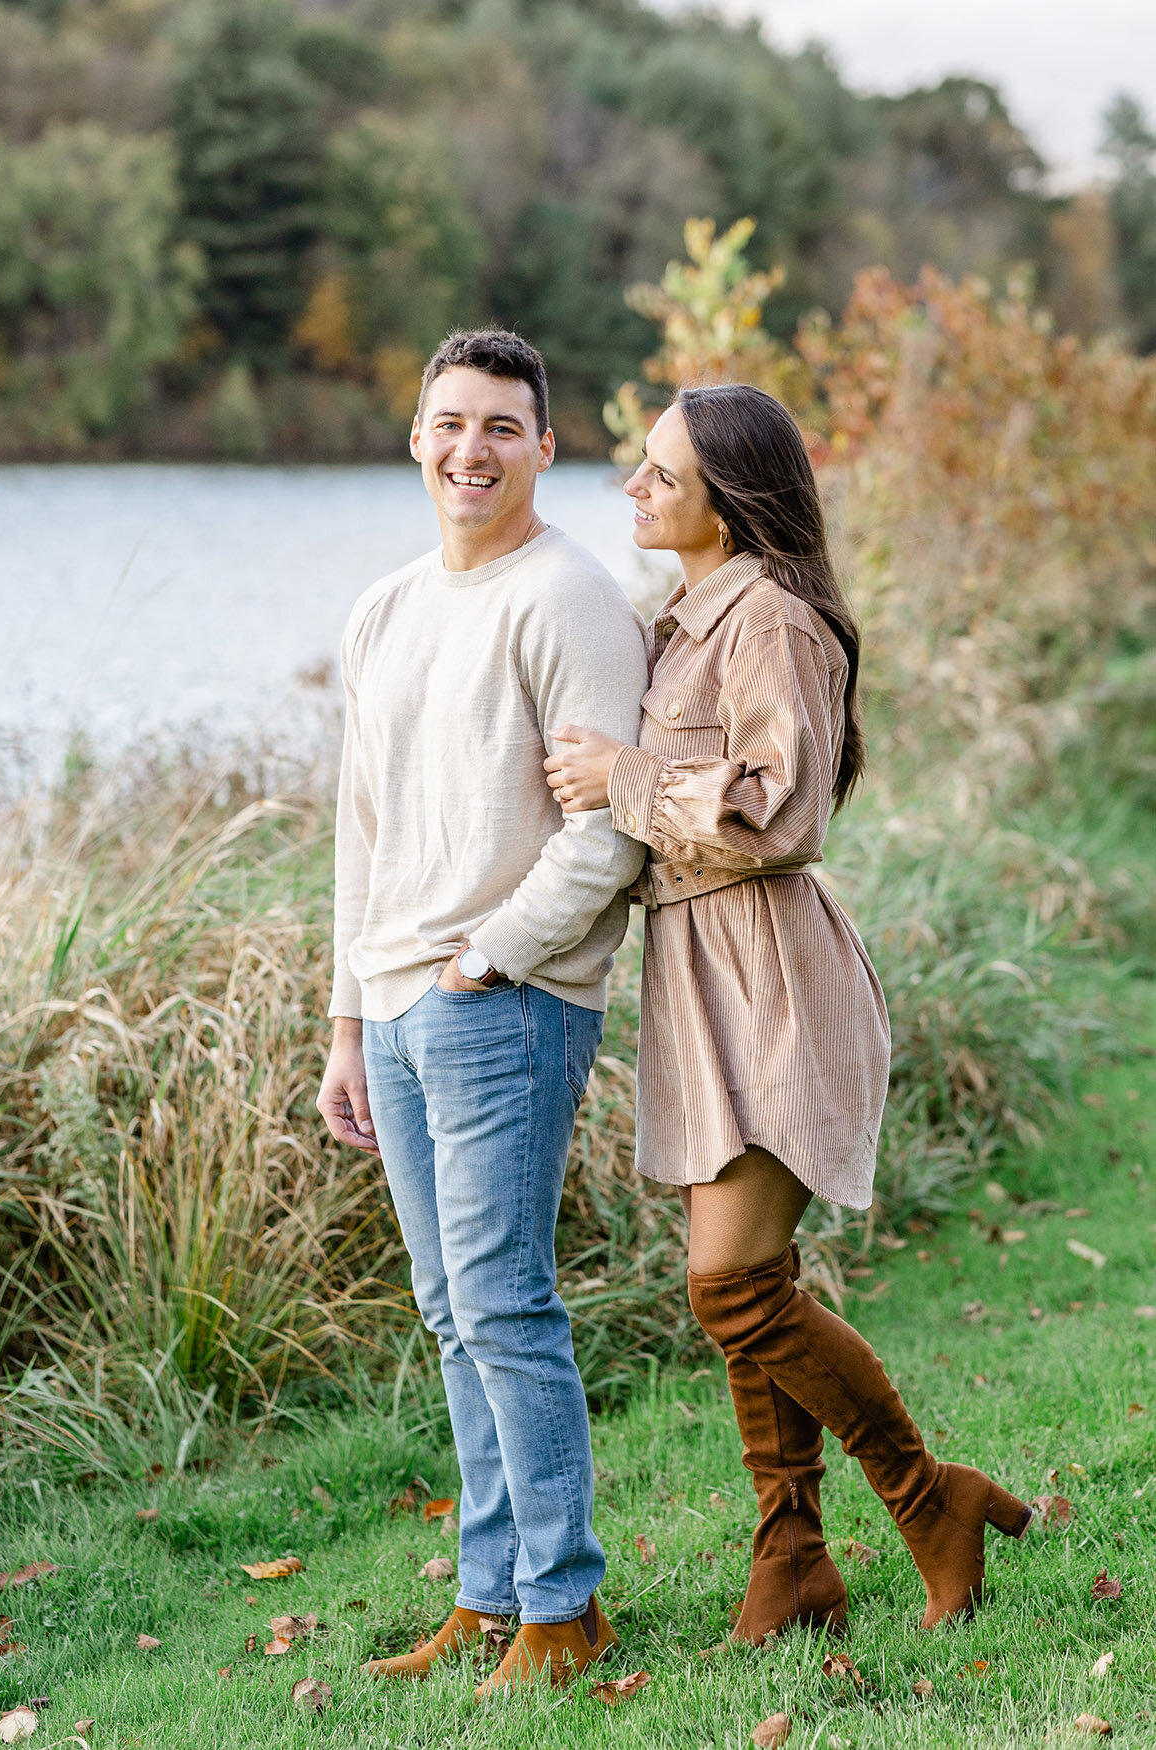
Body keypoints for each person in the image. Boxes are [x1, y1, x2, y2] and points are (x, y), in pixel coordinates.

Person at [544, 382, 1032, 1642]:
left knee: (735, 1290)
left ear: (729, 498)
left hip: (774, 980)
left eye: (659, 473)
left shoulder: (773, 619)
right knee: (749, 1278)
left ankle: (931, 1502)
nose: (634, 489)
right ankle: (793, 1558)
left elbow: (784, 809)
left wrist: (623, 778)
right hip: (701, 976)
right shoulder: (685, 617)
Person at [317, 330, 648, 1692]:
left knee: (504, 1305)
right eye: (448, 423)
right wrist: (345, 1018)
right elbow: (361, 824)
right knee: (450, 1309)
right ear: (414, 437)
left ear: (544, 448)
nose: (470, 450)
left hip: (502, 1004)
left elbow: (607, 830)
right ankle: (490, 1588)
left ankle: (564, 1609)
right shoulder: (386, 605)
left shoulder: (569, 596)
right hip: (393, 1007)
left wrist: (491, 957)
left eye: (501, 427)